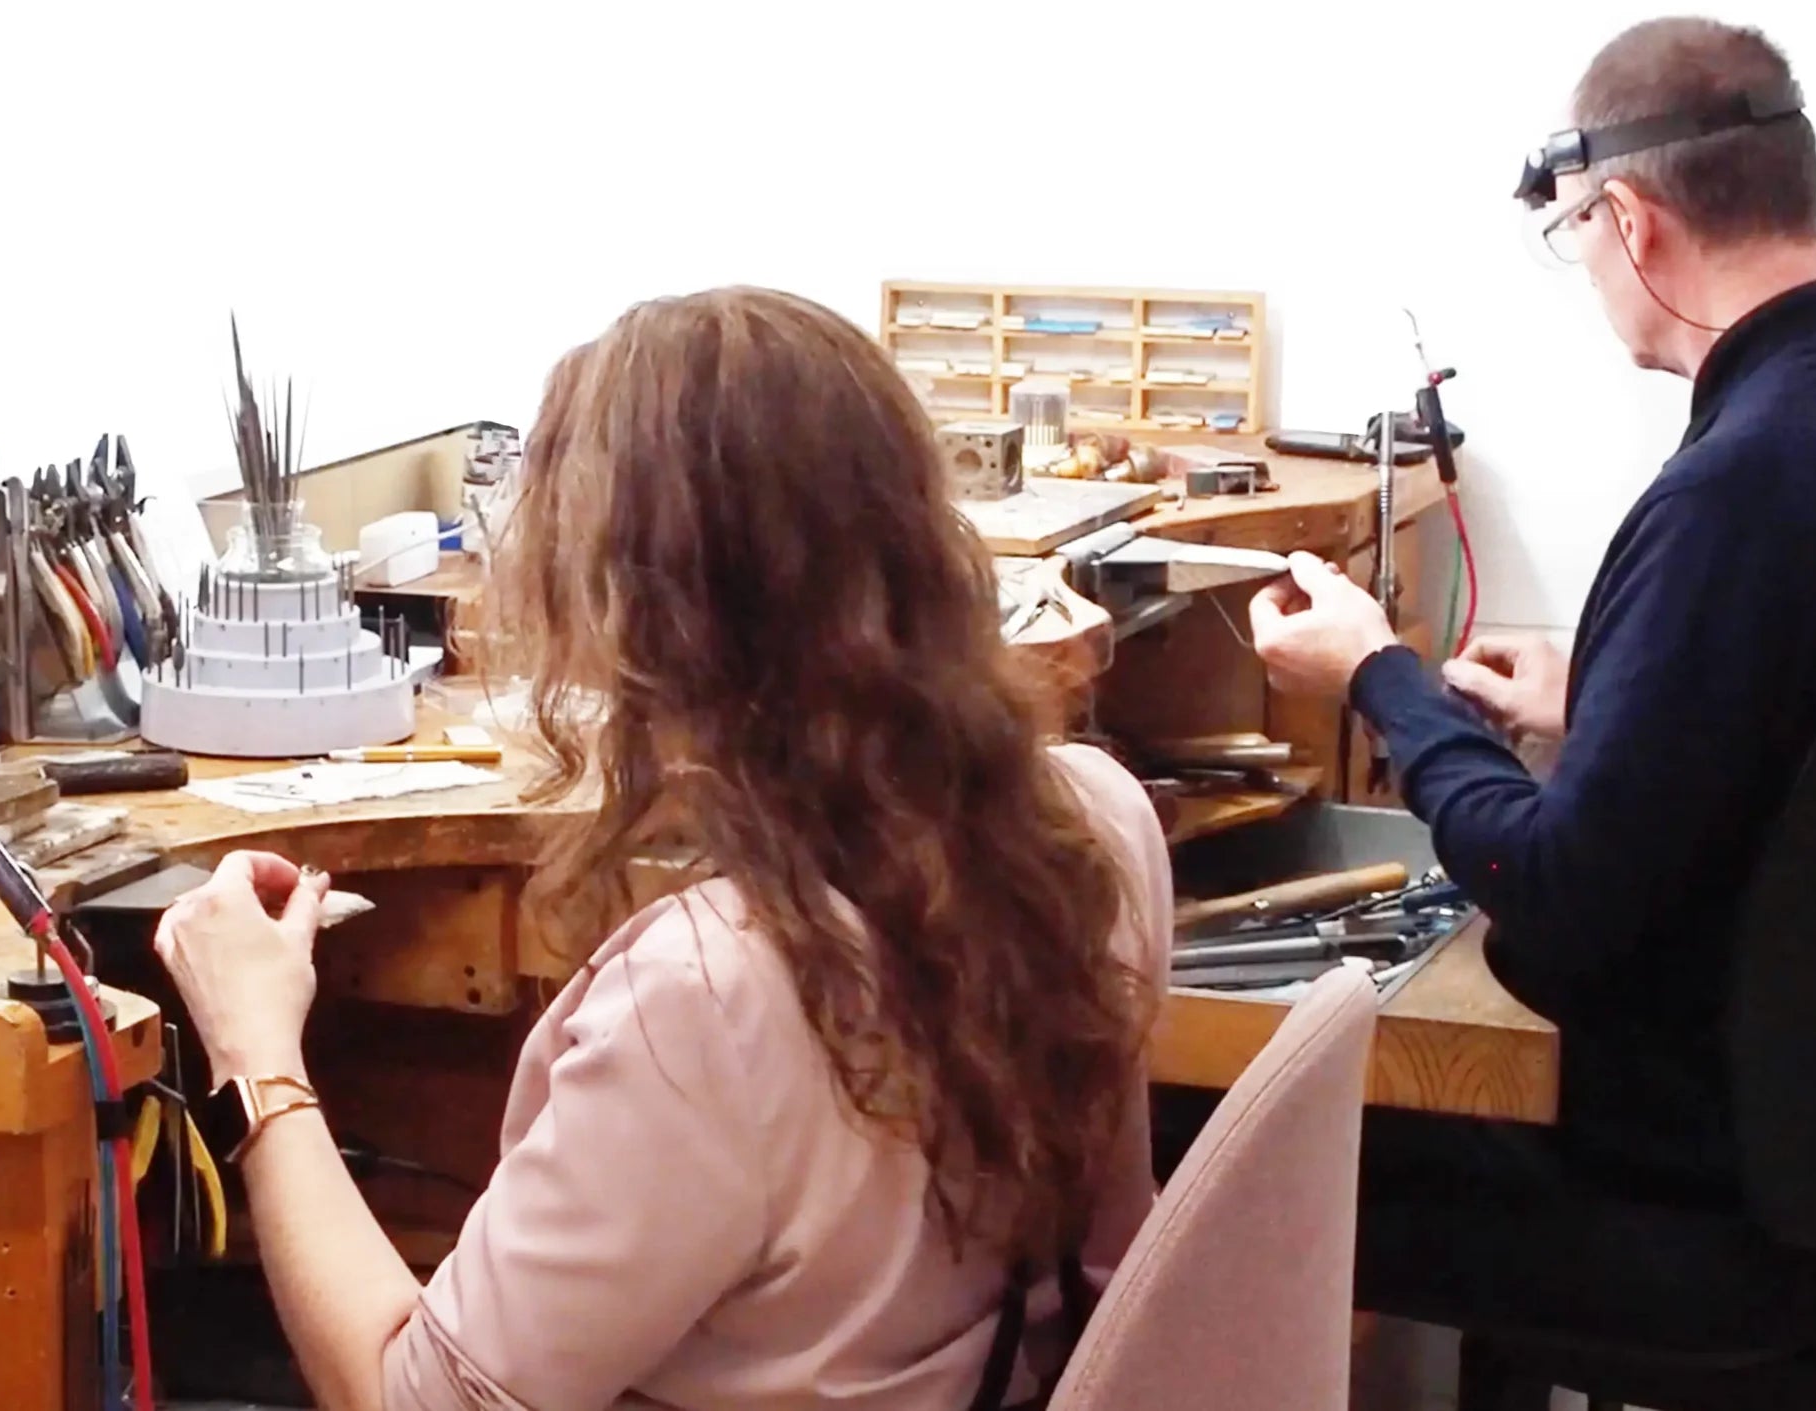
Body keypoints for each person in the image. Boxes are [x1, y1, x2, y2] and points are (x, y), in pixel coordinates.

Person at [152, 287, 1174, 1410]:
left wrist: (257, 1053)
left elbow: (410, 1400)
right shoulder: (1095, 820)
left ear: (636, 615)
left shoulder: (709, 996)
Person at [1246, 16, 1816, 1325]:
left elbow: (1550, 890)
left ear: (1630, 220)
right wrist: (1601, 689)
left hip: (1685, 1194)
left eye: (1578, 235)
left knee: (1194, 1130)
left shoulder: (1739, 488)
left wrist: (1377, 671)